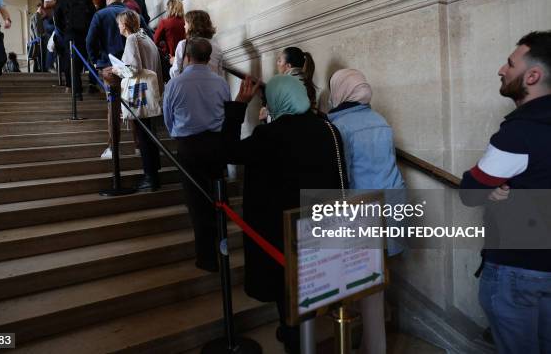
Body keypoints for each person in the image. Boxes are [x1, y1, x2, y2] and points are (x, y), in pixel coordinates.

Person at [221, 74, 345, 353]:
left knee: (285, 288)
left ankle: (294, 337)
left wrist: (239, 105)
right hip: (319, 226)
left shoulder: (268, 135)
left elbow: (226, 151)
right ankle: (304, 326)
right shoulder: (328, 129)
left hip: (280, 232)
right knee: (310, 281)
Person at [460, 31, 551, 354]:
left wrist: (481, 186)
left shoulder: (520, 133)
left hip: (518, 270)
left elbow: (471, 191)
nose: (501, 69)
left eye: (510, 64)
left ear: (533, 75)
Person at [327, 68, 406, 354]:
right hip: (392, 204)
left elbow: (343, 176)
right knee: (377, 282)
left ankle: (373, 346)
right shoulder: (380, 120)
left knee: (363, 284)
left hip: (362, 211)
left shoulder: (338, 127)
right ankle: (372, 342)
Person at [163, 38, 230, 272]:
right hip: (216, 144)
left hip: (189, 147)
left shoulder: (175, 83)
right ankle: (224, 247)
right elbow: (226, 112)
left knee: (197, 202)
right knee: (219, 198)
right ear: (208, 57)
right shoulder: (221, 82)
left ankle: (207, 258)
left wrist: (177, 134)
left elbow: (168, 117)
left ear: (187, 57)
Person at [111, 10, 163, 191]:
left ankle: (150, 178)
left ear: (124, 24)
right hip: (150, 92)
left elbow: (132, 69)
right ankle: (153, 173)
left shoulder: (133, 39)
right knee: (150, 134)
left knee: (143, 136)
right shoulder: (147, 38)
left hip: (140, 94)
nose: (118, 26)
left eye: (119, 23)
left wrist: (117, 69)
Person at [54, 0, 96, 99]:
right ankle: (93, 84)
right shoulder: (87, 0)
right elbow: (94, 16)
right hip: (86, 35)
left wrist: (64, 31)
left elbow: (57, 19)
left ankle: (77, 91)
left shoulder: (63, 1)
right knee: (88, 59)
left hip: (70, 35)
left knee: (73, 62)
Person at [169, 10, 222, 78]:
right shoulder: (216, 46)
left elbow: (175, 73)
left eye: (186, 23)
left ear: (191, 25)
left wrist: (174, 63)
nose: (184, 26)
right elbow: (219, 74)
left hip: (189, 86)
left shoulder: (183, 45)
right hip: (212, 86)